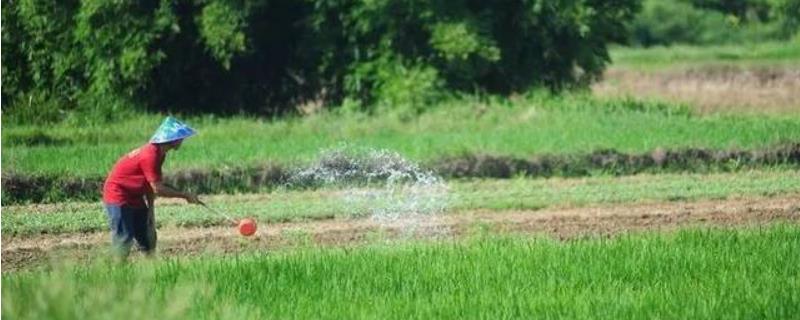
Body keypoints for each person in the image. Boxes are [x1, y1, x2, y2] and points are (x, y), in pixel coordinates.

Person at [102, 116, 201, 258]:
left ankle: (151, 271)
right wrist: (185, 195)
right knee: (124, 238)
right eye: (180, 137)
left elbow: (151, 184)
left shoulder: (160, 153)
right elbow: (158, 188)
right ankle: (117, 273)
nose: (182, 140)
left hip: (135, 196)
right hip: (118, 195)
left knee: (148, 238)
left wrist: (150, 211)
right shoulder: (150, 155)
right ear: (170, 139)